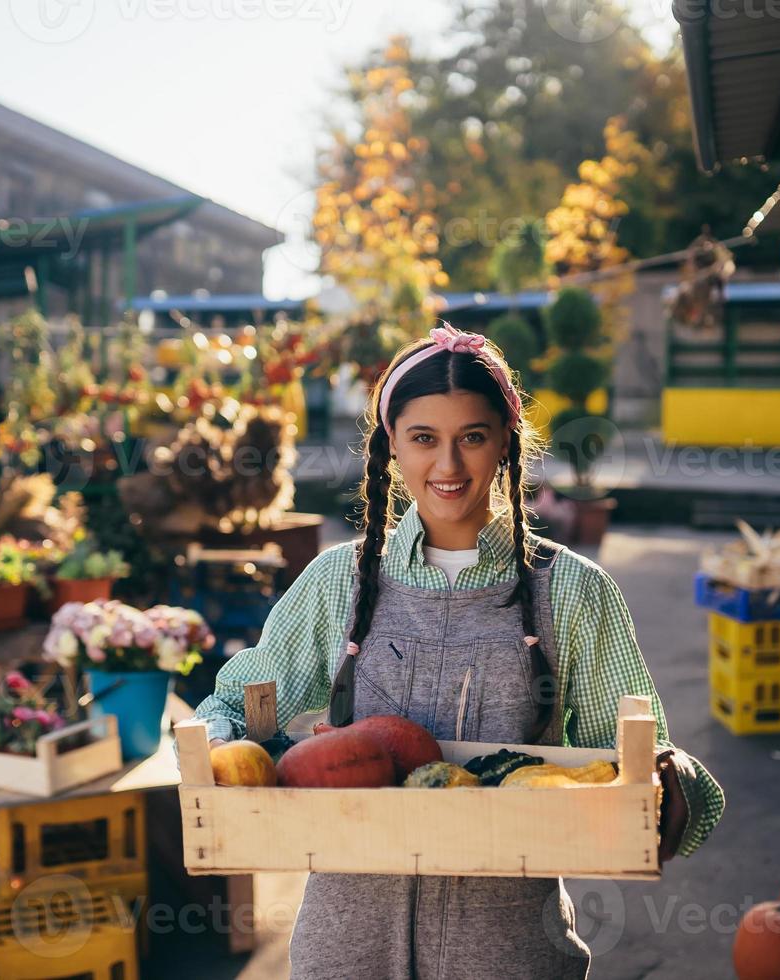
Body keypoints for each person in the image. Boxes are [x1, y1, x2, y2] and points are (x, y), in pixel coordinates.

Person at [193, 324, 724, 979]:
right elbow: (235, 705)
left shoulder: (574, 593)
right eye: (423, 439)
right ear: (392, 445)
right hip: (343, 953)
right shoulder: (338, 581)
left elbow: (636, 761)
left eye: (471, 437)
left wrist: (674, 786)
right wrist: (215, 744)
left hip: (510, 955)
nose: (447, 467)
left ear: (506, 442)